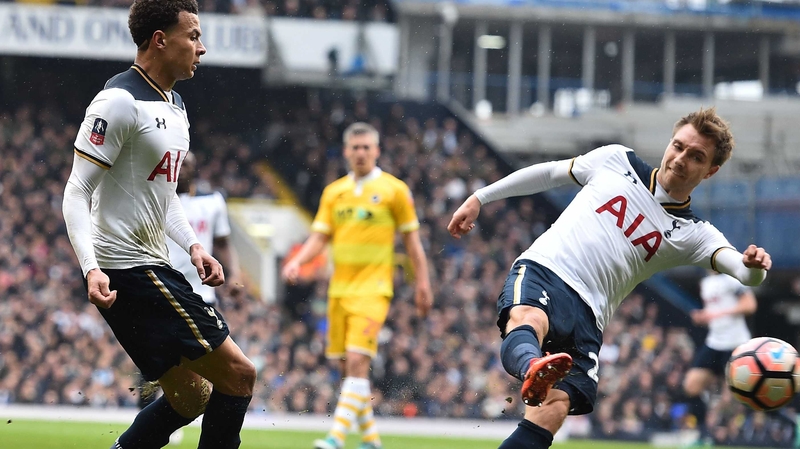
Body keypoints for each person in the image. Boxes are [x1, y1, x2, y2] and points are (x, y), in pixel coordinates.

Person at [447, 107, 772, 449]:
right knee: (528, 318)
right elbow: (549, 174)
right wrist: (481, 197)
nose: (680, 158)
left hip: (590, 317)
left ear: (711, 171)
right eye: (678, 146)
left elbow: (744, 273)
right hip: (546, 270)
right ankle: (533, 366)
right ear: (669, 142)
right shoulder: (617, 160)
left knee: (554, 407)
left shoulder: (694, 234)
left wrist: (753, 265)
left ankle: (538, 372)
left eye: (696, 156)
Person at [62, 1, 256, 448]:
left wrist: (192, 246)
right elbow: (76, 192)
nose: (202, 48)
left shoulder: (177, 106)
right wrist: (91, 268)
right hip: (129, 270)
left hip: (152, 263)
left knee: (191, 396)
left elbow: (162, 197)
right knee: (240, 374)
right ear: (160, 40)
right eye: (193, 36)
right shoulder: (118, 101)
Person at [282, 122, 433, 449]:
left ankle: (336, 438)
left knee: (356, 360)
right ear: (347, 152)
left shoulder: (395, 190)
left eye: (367, 147)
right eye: (356, 147)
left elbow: (413, 243)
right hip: (339, 290)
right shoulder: (334, 192)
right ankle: (371, 440)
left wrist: (422, 283)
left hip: (374, 289)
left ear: (377, 151)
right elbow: (320, 237)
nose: (362, 152)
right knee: (348, 369)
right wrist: (298, 261)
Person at [683, 271, 756, 446]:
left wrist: (719, 313)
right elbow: (714, 314)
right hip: (715, 342)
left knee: (745, 395)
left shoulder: (731, 279)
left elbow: (750, 305)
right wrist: (704, 316)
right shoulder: (706, 282)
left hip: (736, 343)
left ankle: (790, 423)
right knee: (691, 386)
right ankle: (704, 435)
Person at [167, 150, 243, 307]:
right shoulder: (156, 201)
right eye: (176, 164)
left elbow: (222, 243)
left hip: (201, 292)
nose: (180, 169)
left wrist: (235, 273)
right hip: (164, 290)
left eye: (185, 165)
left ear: (195, 168)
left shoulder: (212, 201)